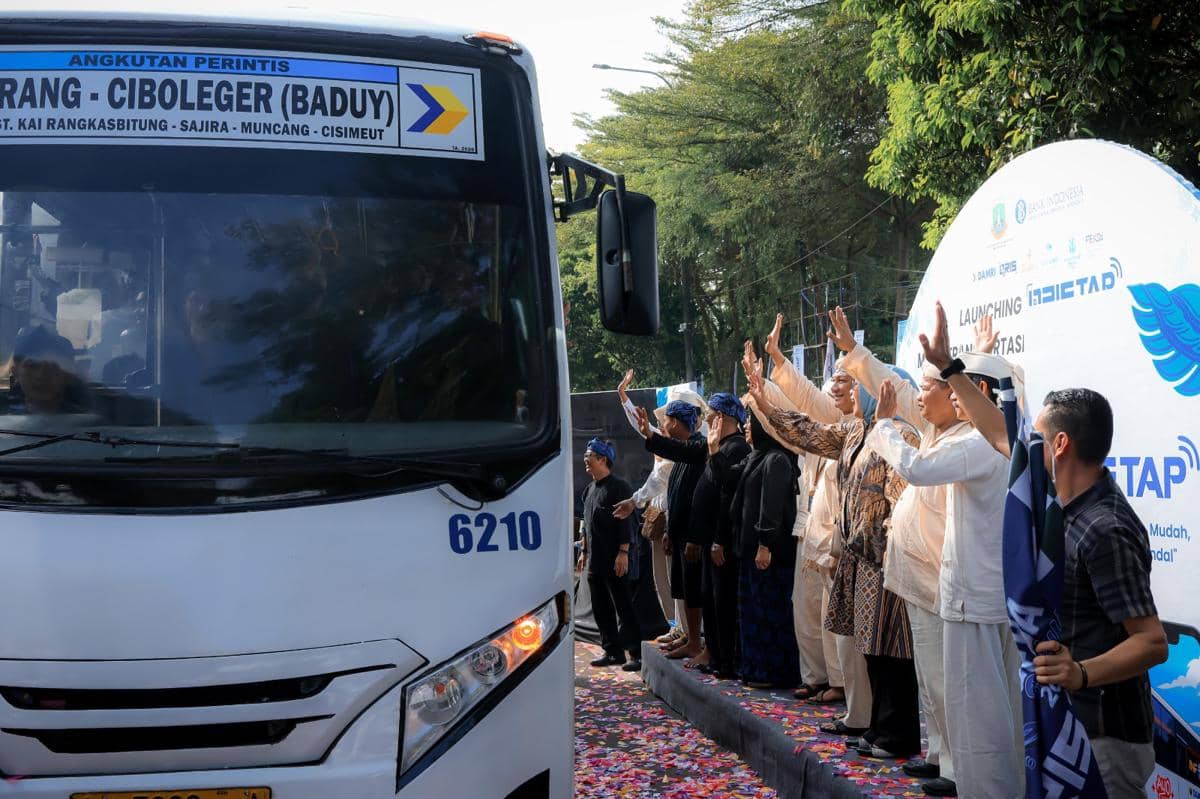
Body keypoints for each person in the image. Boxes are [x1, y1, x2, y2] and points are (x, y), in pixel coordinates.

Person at [920, 302, 1168, 798]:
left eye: (1035, 437)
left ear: (1058, 445)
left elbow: (1152, 642)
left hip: (1105, 737)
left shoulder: (1106, 527)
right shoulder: (1054, 499)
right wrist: (951, 369)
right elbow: (998, 430)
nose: (1022, 444)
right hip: (1065, 723)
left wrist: (1080, 673)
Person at [831, 307, 1002, 796]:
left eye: (930, 389)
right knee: (931, 678)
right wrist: (854, 354)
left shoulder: (968, 439)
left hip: (937, 577)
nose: (919, 397)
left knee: (947, 681)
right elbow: (896, 388)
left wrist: (977, 359)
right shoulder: (935, 426)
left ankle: (955, 768)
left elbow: (959, 397)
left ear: (959, 396)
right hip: (917, 578)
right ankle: (940, 754)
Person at [748, 355, 923, 760]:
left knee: (892, 650)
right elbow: (808, 433)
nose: (843, 391)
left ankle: (897, 735)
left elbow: (902, 495)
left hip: (886, 559)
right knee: (871, 649)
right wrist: (766, 404)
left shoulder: (902, 435)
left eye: (853, 383)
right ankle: (878, 727)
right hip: (859, 559)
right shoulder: (853, 432)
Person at [758, 317, 855, 707]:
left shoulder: (853, 430)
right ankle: (815, 676)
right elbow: (789, 420)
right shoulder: (820, 431)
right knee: (806, 609)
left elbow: (805, 403)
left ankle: (839, 682)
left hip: (836, 537)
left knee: (833, 615)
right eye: (832, 380)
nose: (833, 387)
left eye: (843, 380)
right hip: (808, 531)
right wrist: (764, 385)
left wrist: (778, 362)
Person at [730, 397, 801, 688]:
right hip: (752, 551)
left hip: (769, 552)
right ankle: (755, 668)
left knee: (768, 613)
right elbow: (727, 477)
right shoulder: (757, 456)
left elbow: (770, 507)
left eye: (752, 420)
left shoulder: (777, 460)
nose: (747, 425)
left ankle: (772, 672)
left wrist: (764, 543)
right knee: (752, 612)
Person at [632, 398, 708, 661]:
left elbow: (699, 499)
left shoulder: (698, 447)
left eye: (665, 420)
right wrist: (669, 532)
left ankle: (699, 642)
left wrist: (649, 435)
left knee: (696, 591)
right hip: (680, 534)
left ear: (675, 422)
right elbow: (675, 494)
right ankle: (691, 639)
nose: (663, 425)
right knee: (684, 589)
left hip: (695, 537)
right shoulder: (684, 453)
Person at [614, 369, 676, 628]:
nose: (660, 424)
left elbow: (657, 480)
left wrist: (634, 501)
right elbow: (639, 425)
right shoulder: (662, 440)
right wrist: (623, 395)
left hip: (674, 520)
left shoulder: (682, 448)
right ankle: (674, 624)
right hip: (657, 517)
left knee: (675, 578)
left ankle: (685, 628)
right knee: (660, 575)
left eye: (666, 420)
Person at [578, 438, 644, 672]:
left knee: (623, 605)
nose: (585, 460)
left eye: (590, 457)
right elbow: (586, 522)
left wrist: (623, 552)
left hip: (616, 557)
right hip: (595, 559)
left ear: (602, 459)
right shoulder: (589, 490)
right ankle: (612, 651)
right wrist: (583, 551)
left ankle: (636, 652)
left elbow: (625, 523)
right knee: (600, 607)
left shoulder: (619, 487)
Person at [699, 392, 752, 678]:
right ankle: (717, 655)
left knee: (724, 602)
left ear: (721, 417)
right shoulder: (718, 446)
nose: (706, 419)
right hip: (711, 538)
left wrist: (719, 538)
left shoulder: (736, 449)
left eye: (710, 414)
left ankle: (727, 660)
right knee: (711, 598)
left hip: (725, 539)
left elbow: (726, 494)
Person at [6, 326, 89, 415]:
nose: (41, 375)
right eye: (32, 366)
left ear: (68, 376)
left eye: (52, 367)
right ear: (15, 372)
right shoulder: (4, 418)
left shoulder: (90, 422)